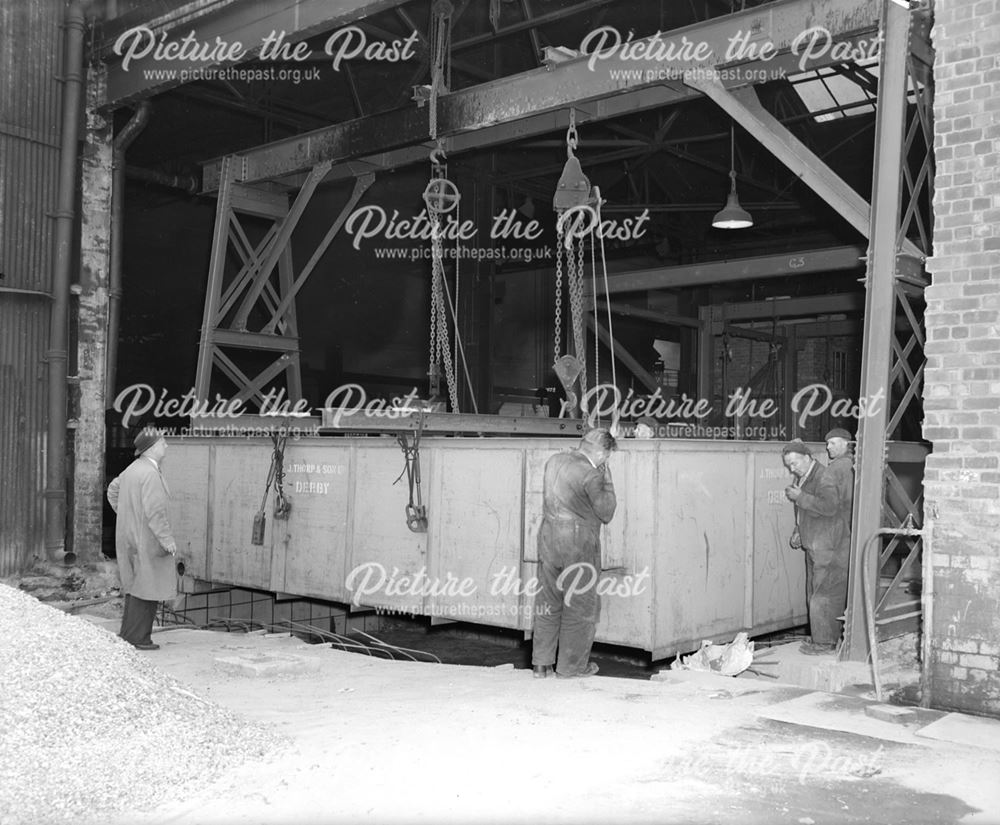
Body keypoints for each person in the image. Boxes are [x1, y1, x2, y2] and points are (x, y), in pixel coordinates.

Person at [532, 428, 618, 678]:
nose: (606, 461)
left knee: (548, 601)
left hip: (549, 538)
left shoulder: (554, 461)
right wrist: (608, 480)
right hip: (577, 543)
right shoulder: (592, 474)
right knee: (579, 606)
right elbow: (606, 512)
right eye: (607, 456)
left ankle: (540, 665)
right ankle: (571, 668)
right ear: (601, 451)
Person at [107, 427, 179, 651]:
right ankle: (139, 638)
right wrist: (167, 540)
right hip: (148, 540)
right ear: (153, 447)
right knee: (148, 588)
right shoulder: (149, 473)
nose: (166, 445)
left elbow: (112, 490)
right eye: (163, 442)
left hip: (132, 536)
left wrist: (127, 514)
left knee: (137, 585)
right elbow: (155, 511)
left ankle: (130, 634)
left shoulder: (132, 469)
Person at [782, 439, 849, 656]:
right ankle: (821, 638)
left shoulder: (824, 476)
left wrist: (800, 496)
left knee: (824, 594)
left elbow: (830, 507)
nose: (793, 468)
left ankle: (825, 643)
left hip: (829, 545)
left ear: (808, 457)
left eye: (795, 463)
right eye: (789, 465)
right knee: (815, 592)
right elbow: (807, 510)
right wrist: (799, 531)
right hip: (815, 543)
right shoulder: (804, 476)